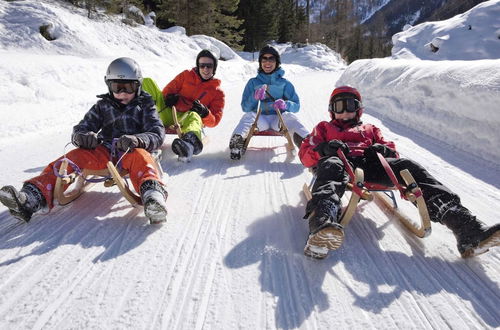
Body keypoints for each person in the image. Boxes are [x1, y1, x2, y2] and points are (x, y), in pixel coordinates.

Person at [299, 85, 499, 259]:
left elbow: (391, 149)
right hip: (340, 162)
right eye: (338, 107)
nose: (344, 112)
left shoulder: (370, 129)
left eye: (349, 106)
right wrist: (323, 149)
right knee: (331, 165)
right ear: (331, 110)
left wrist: (384, 151)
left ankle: (467, 230)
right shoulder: (323, 128)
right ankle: (322, 223)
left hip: (371, 166)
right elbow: (305, 154)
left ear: (358, 110)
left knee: (408, 166)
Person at [0, 57, 168, 224]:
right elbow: (82, 127)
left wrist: (138, 140)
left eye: (129, 87)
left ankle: (153, 198)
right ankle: (31, 197)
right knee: (73, 157)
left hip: (132, 152)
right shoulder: (102, 106)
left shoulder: (145, 105)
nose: (122, 93)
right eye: (117, 87)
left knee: (143, 160)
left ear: (138, 86)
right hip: (105, 151)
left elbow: (157, 133)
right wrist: (83, 137)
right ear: (109, 86)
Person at [142, 49, 225, 161]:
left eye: (209, 66)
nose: (205, 69)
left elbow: (214, 121)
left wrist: (205, 113)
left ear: (214, 68)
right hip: (170, 112)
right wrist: (170, 97)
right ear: (198, 66)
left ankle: (189, 144)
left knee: (194, 115)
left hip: (187, 120)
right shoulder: (186, 75)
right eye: (202, 65)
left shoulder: (217, 92)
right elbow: (166, 91)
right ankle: (134, 114)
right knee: (147, 82)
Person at [229, 45, 309, 160]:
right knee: (249, 116)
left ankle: (307, 143)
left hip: (279, 119)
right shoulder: (253, 82)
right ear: (260, 62)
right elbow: (245, 107)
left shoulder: (284, 83)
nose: (267, 62)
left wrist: (285, 104)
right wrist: (254, 96)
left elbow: (296, 106)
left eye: (271, 59)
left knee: (290, 117)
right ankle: (237, 143)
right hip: (261, 119)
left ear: (277, 62)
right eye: (264, 59)